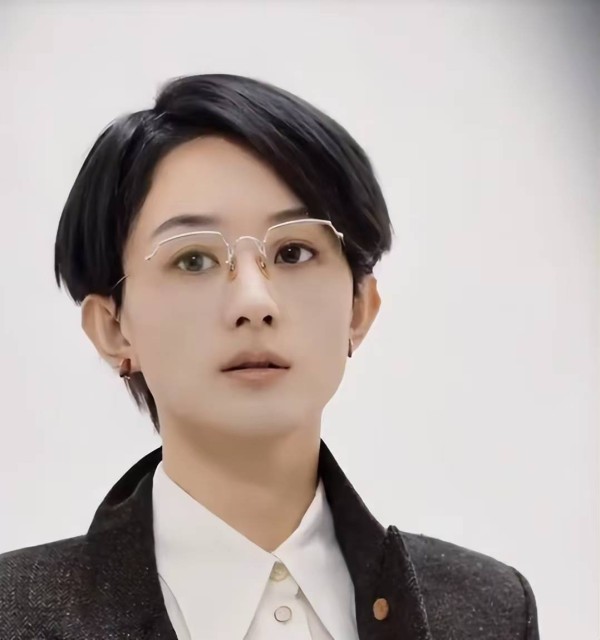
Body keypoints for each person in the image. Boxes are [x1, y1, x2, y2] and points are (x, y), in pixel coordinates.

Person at [0, 73, 539, 639]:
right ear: (113, 328)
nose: (254, 302)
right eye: (193, 260)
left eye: (294, 251)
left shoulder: (489, 612)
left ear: (359, 308)